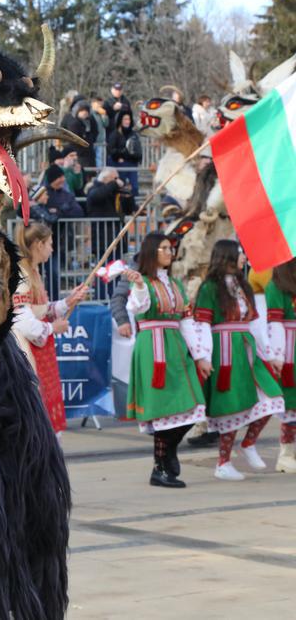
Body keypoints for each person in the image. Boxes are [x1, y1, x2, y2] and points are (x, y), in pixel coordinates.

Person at [193, 240, 285, 481]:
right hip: (224, 351)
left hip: (246, 349)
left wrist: (269, 355)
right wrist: (202, 356)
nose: (244, 257)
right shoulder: (209, 288)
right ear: (227, 257)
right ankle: (223, 463)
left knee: (274, 396)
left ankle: (248, 443)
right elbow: (202, 323)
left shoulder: (242, 285)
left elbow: (255, 323)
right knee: (230, 406)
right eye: (240, 254)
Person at [125, 234, 206, 487]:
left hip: (175, 349)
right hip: (154, 349)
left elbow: (187, 321)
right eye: (164, 249)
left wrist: (200, 355)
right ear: (152, 252)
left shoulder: (174, 284)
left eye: (171, 249)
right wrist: (138, 285)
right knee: (162, 408)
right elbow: (137, 308)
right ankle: (160, 467)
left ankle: (168, 453)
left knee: (194, 407)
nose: (170, 253)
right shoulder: (143, 283)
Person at [13, 222, 90, 441]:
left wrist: (68, 301)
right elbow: (20, 317)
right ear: (38, 245)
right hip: (28, 350)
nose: (52, 249)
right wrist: (51, 328)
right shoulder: (21, 273)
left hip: (41, 350)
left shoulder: (32, 271)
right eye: (50, 244)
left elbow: (39, 309)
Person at [264, 258, 296, 472]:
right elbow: (275, 324)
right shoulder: (275, 286)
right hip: (289, 349)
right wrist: (278, 355)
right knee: (291, 403)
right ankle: (286, 453)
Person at [106, 110, 142, 196]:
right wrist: (119, 156)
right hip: (119, 165)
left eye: (128, 119)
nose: (127, 122)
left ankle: (135, 207)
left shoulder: (133, 134)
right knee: (121, 188)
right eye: (125, 119)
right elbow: (111, 150)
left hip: (132, 164)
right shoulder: (115, 134)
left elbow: (137, 148)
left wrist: (137, 157)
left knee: (134, 188)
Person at [60, 98, 98, 173]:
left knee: (90, 174)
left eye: (86, 111)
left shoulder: (90, 120)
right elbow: (73, 139)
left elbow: (95, 131)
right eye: (82, 111)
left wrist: (91, 140)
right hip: (79, 154)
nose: (84, 113)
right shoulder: (74, 122)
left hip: (89, 153)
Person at [90, 97, 108, 168]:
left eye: (101, 104)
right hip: (92, 140)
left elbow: (106, 124)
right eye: (98, 104)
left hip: (100, 141)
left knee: (99, 159)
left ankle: (99, 174)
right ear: (92, 104)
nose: (100, 106)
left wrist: (104, 116)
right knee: (93, 158)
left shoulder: (101, 114)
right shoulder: (90, 113)